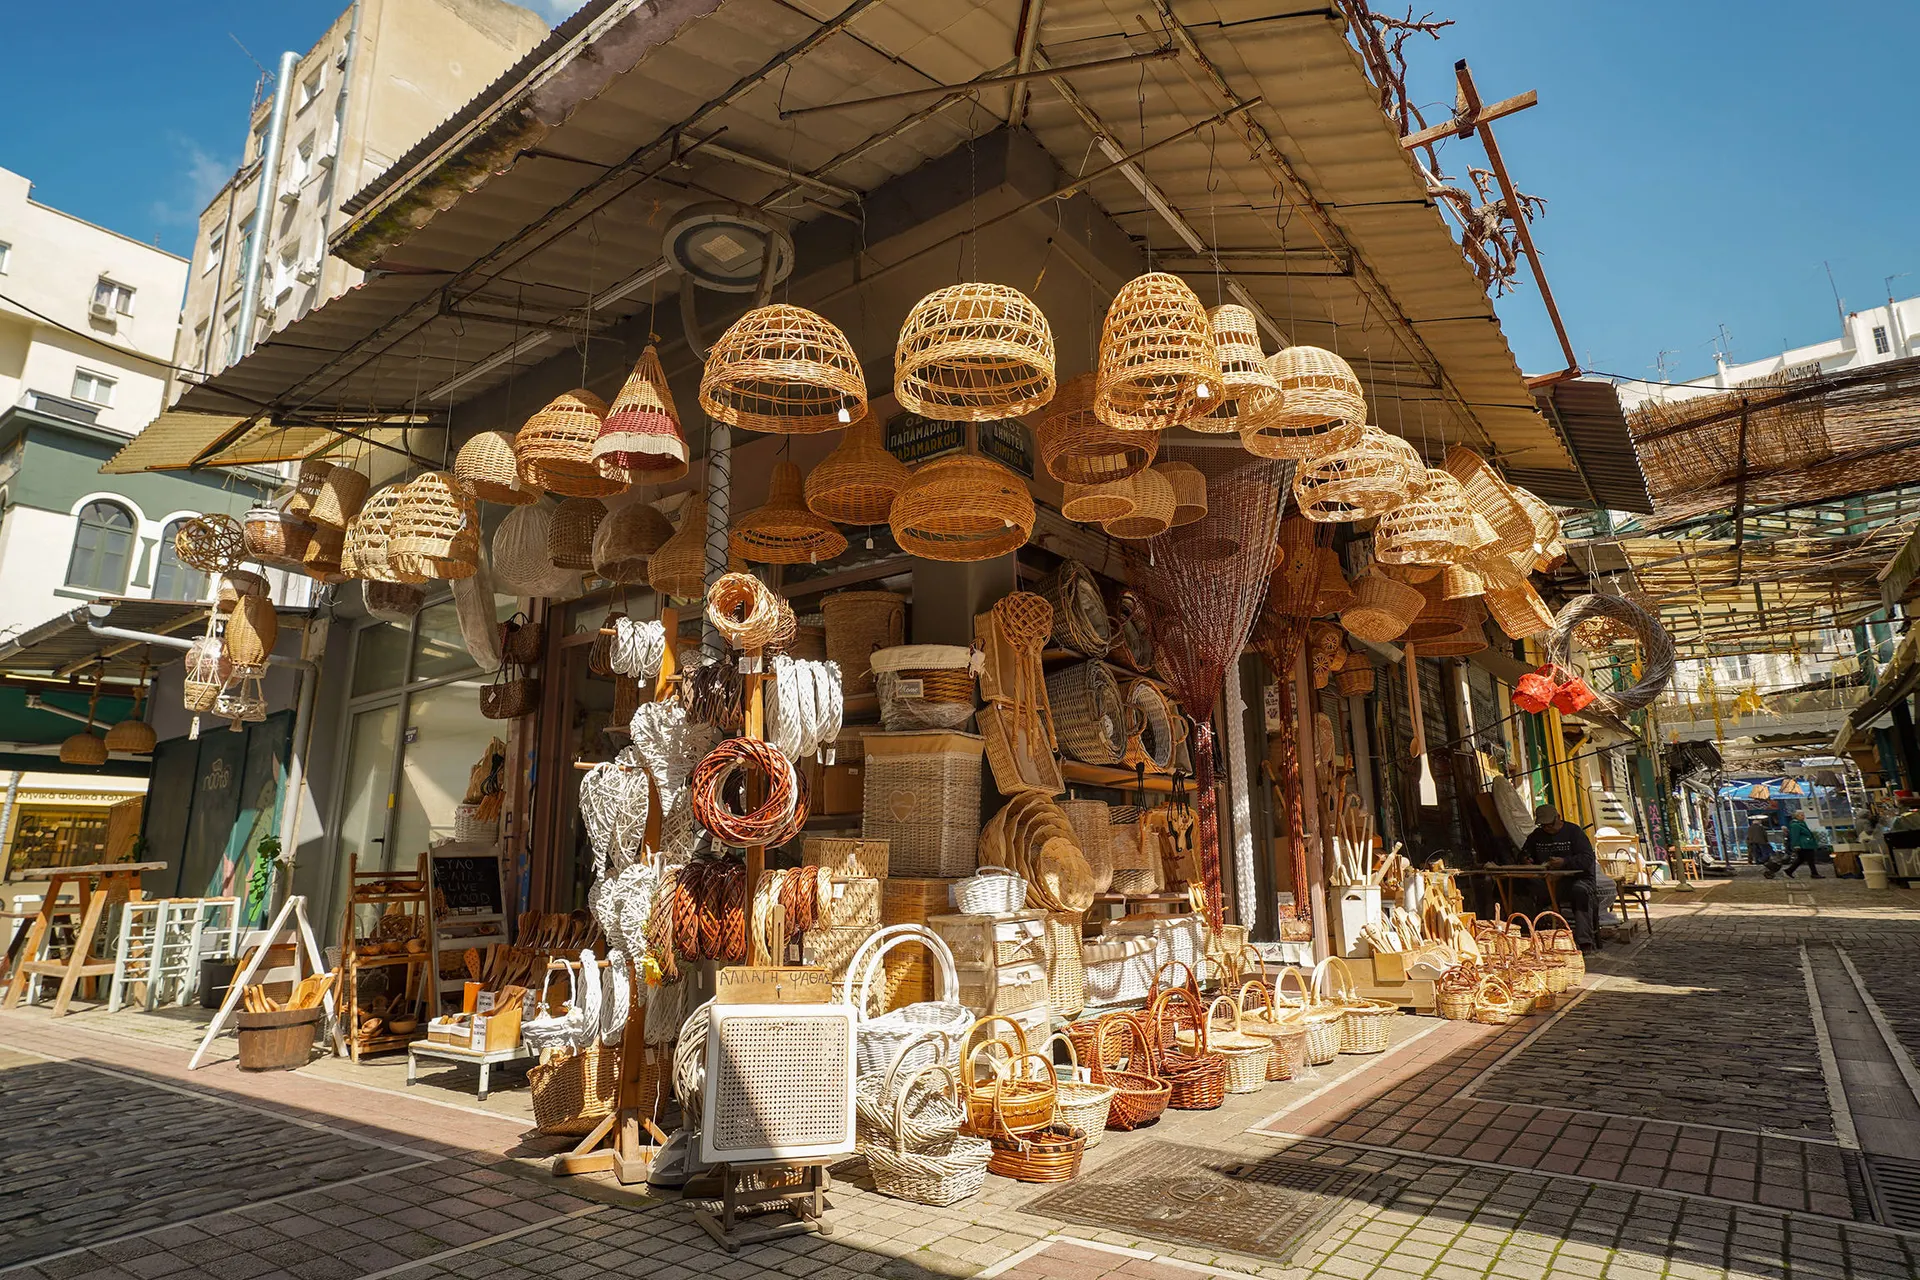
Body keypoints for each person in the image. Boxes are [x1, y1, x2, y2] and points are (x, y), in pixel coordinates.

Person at [1519, 804, 1598, 950]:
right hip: (1549, 882)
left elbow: (1587, 859)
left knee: (1579, 892)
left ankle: (1584, 941)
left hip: (1577, 879)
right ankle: (1535, 937)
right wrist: (1526, 859)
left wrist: (1565, 862)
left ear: (1558, 818)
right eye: (1544, 826)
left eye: (1550, 825)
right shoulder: (1537, 835)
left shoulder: (1574, 832)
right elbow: (1523, 853)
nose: (1548, 828)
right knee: (1525, 888)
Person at [1778, 809, 1827, 879]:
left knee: (1801, 859)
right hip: (1803, 845)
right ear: (1796, 816)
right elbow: (1795, 835)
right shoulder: (1795, 825)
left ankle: (1789, 871)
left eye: (1803, 815)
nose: (1803, 816)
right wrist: (1795, 845)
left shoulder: (1801, 823)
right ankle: (1814, 873)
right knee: (1810, 859)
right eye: (1801, 815)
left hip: (1806, 844)